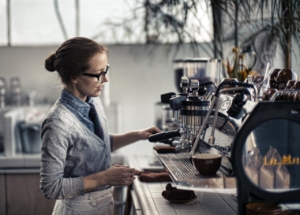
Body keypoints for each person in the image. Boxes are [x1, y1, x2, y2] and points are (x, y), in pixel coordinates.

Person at [40, 37, 161, 215]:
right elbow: (51, 187)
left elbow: (97, 145)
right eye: (98, 74)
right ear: (74, 76)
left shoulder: (93, 101)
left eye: (106, 70)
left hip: (102, 204)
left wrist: (138, 134)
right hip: (77, 209)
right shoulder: (58, 122)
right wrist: (104, 177)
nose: (105, 79)